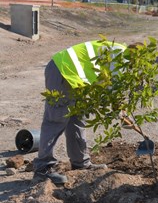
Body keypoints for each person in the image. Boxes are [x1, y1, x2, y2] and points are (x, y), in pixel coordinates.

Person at [32, 40, 129, 184]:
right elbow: (111, 88)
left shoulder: (121, 53)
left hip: (77, 78)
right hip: (62, 71)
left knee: (77, 120)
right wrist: (121, 113)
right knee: (55, 121)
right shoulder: (121, 56)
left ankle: (80, 162)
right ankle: (42, 169)